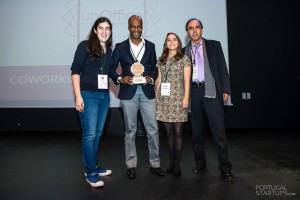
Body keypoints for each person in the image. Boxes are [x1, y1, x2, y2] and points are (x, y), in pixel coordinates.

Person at [110, 15, 165, 179]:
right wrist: (120, 79)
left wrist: (151, 77)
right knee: (130, 131)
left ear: (142, 27)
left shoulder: (151, 46)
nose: (136, 29)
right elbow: (111, 69)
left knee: (153, 130)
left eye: (139, 26)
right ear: (128, 27)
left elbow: (155, 67)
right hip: (128, 93)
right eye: (133, 26)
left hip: (147, 92)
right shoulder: (119, 47)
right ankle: (131, 165)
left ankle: (155, 164)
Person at [183, 18, 234, 181]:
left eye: (197, 27)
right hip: (193, 93)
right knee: (196, 132)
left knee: (219, 132)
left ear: (202, 30)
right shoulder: (184, 51)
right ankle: (200, 162)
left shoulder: (214, 45)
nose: (194, 30)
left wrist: (226, 89)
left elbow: (223, 69)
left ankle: (225, 167)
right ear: (187, 32)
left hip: (211, 92)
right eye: (191, 28)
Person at [70, 17, 113, 187]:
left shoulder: (109, 50)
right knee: (89, 134)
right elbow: (75, 71)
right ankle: (90, 172)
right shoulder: (85, 45)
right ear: (95, 30)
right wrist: (78, 96)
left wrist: (123, 79)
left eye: (107, 28)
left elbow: (110, 73)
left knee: (98, 133)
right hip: (88, 95)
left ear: (110, 31)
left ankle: (93, 164)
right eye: (101, 28)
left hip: (104, 96)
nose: (104, 31)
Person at [155, 33, 191, 176]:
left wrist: (186, 98)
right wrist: (155, 96)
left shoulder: (184, 59)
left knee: (178, 132)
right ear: (166, 43)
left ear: (178, 42)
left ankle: (177, 164)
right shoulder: (161, 59)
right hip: (164, 100)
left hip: (178, 99)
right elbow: (159, 79)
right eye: (169, 40)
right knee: (168, 133)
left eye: (174, 39)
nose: (171, 42)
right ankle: (171, 162)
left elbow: (187, 81)